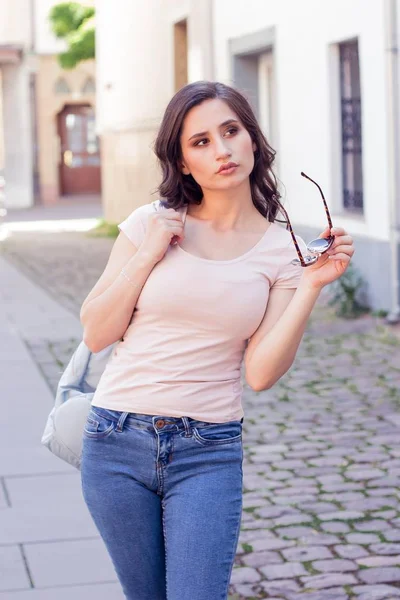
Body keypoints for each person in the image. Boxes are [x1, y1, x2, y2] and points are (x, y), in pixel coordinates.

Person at [79, 80, 354, 600]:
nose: (222, 150)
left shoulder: (284, 250)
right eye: (200, 141)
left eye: (231, 131)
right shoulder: (151, 223)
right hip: (116, 440)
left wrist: (311, 286)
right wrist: (149, 252)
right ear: (182, 162)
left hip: (207, 450)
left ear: (253, 138)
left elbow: (260, 374)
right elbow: (96, 333)